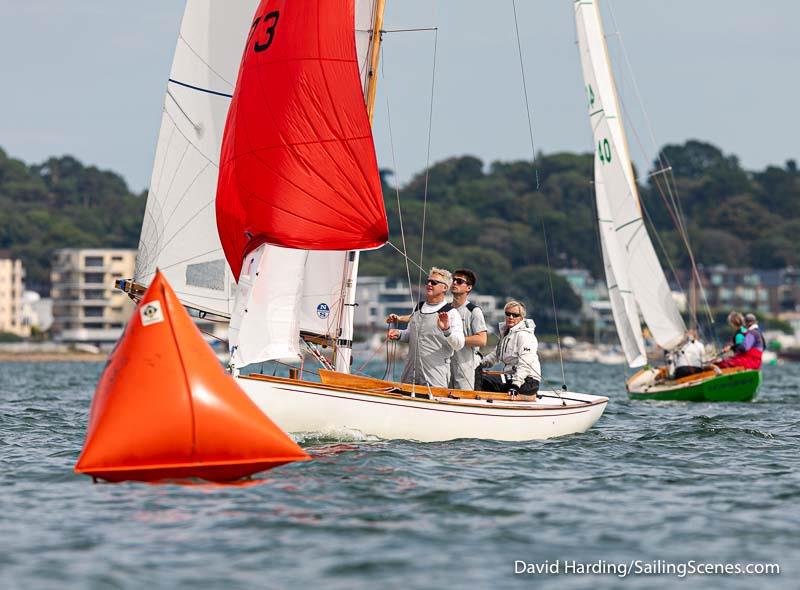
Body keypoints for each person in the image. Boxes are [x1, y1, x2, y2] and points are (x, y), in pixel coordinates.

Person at [387, 267, 465, 388]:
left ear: (445, 288)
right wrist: (399, 334)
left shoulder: (451, 313)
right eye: (428, 281)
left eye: (434, 282)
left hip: (434, 376)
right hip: (410, 373)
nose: (429, 284)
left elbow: (459, 344)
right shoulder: (418, 307)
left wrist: (447, 330)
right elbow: (410, 334)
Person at [478, 300, 541, 397]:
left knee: (483, 380)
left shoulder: (525, 335)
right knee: (478, 376)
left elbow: (525, 364)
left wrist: (516, 385)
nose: (511, 317)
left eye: (515, 315)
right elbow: (495, 356)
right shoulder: (507, 334)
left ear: (521, 318)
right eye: (508, 314)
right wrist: (478, 364)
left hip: (527, 381)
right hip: (512, 377)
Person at [448, 269, 488, 390]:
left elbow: (482, 340)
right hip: (447, 367)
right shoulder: (445, 309)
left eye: (459, 281)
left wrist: (457, 340)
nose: (454, 283)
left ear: (468, 288)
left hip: (468, 368)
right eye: (453, 280)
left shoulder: (473, 311)